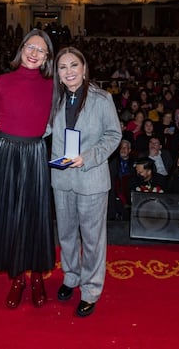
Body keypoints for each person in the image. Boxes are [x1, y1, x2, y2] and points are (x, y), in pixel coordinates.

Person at [0, 29, 56, 310]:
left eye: (40, 50)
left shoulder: (52, 85)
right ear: (21, 49)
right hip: (3, 154)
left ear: (47, 58)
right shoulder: (3, 81)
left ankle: (36, 277)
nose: (33, 52)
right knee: (10, 219)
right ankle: (18, 278)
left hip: (33, 155)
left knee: (34, 218)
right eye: (30, 46)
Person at [49, 47, 122, 318]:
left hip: (91, 178)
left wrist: (88, 157)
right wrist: (8, 128)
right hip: (61, 178)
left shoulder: (102, 99)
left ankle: (91, 289)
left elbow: (114, 135)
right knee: (66, 234)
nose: (68, 72)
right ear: (57, 73)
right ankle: (71, 277)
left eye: (73, 65)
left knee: (92, 239)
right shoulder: (54, 99)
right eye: (62, 67)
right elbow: (39, 128)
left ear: (84, 68)